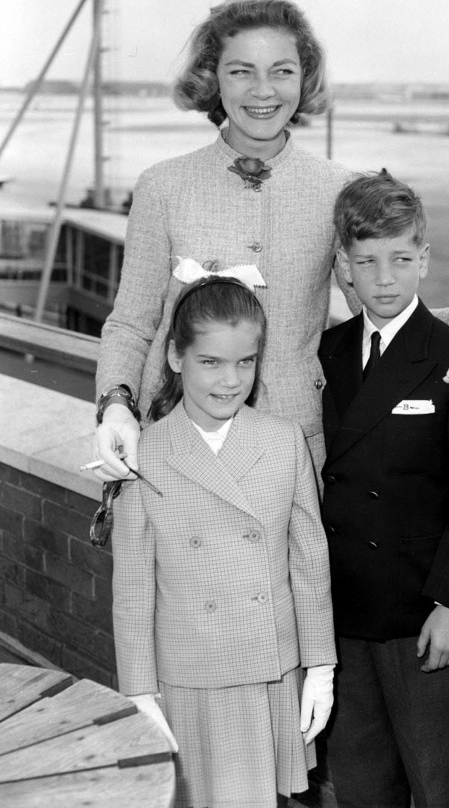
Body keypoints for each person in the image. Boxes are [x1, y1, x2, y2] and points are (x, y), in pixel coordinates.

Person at [93, 0, 449, 483]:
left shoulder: (339, 189)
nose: (263, 91)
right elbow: (131, 324)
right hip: (176, 440)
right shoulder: (162, 186)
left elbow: (378, 307)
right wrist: (115, 406)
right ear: (212, 78)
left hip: (297, 451)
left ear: (303, 78)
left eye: (281, 70)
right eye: (241, 71)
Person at [112, 276, 336, 808]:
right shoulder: (144, 454)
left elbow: (309, 561)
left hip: (271, 669)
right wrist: (139, 690)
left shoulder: (283, 441)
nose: (229, 381)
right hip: (190, 674)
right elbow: (135, 585)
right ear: (174, 356)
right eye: (210, 361)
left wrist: (321, 666)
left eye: (246, 362)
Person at [318, 170, 449, 808]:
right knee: (365, 788)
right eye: (367, 262)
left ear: (424, 260)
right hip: (342, 614)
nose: (385, 277)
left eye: (400, 259)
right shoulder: (326, 352)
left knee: (444, 788)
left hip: (422, 615)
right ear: (344, 268)